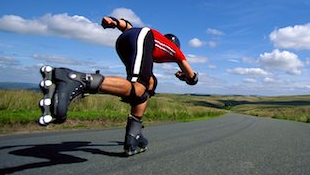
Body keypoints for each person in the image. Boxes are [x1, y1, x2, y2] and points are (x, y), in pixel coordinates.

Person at [38, 16, 198, 156]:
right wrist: (185, 77)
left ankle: (133, 135)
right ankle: (78, 80)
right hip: (142, 37)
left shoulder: (156, 46)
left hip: (125, 41)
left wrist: (114, 22)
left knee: (147, 84)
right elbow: (193, 78)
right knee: (140, 87)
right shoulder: (174, 50)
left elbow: (128, 27)